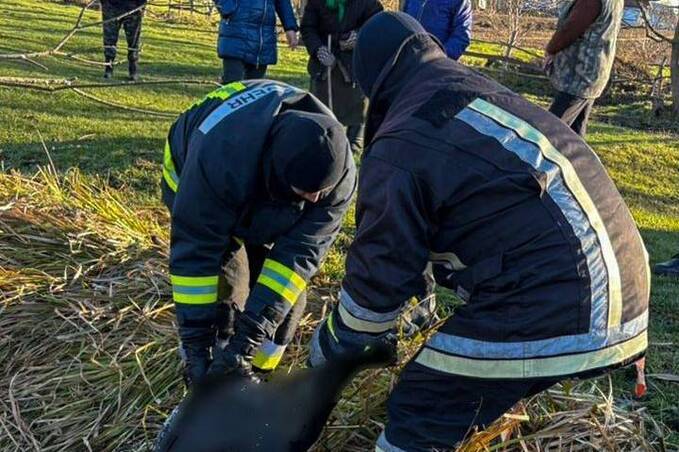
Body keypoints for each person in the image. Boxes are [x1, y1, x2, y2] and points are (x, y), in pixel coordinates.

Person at [309, 12, 650, 451]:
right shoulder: (466, 91)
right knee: (460, 386)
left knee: (423, 404)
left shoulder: (400, 144)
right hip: (625, 281)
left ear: (373, 82)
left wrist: (327, 352)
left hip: (564, 295)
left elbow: (376, 283)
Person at [162, 80, 356, 384]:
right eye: (305, 191)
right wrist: (196, 347)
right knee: (225, 289)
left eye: (322, 191)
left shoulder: (338, 178)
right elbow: (195, 256)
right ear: (278, 169)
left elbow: (297, 258)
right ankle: (208, 370)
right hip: (193, 175)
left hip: (264, 192)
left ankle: (254, 375)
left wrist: (246, 346)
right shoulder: (221, 158)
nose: (316, 199)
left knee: (286, 304)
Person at [300, 0, 383, 154]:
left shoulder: (369, 3)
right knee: (320, 110)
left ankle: (354, 146)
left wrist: (359, 36)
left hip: (355, 63)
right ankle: (322, 145)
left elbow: (376, 23)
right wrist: (318, 49)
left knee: (359, 108)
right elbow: (308, 28)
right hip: (325, 65)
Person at [545, 0, 624, 137]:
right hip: (593, 74)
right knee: (574, 136)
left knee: (548, 133)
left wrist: (551, 49)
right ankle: (577, 159)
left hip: (579, 77)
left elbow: (570, 28)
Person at [214, 0, 299, 84]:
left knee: (254, 89)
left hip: (262, 39)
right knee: (232, 86)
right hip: (236, 33)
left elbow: (283, 2)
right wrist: (227, 7)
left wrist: (290, 27)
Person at [402, 0, 472, 60]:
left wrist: (440, 58)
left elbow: (461, 37)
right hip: (408, 63)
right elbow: (403, 23)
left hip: (437, 67)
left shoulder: (459, 1)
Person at [101, 0, 147, 80]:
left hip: (133, 8)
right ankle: (108, 68)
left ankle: (133, 70)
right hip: (111, 8)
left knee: (133, 41)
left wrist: (141, 6)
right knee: (109, 40)